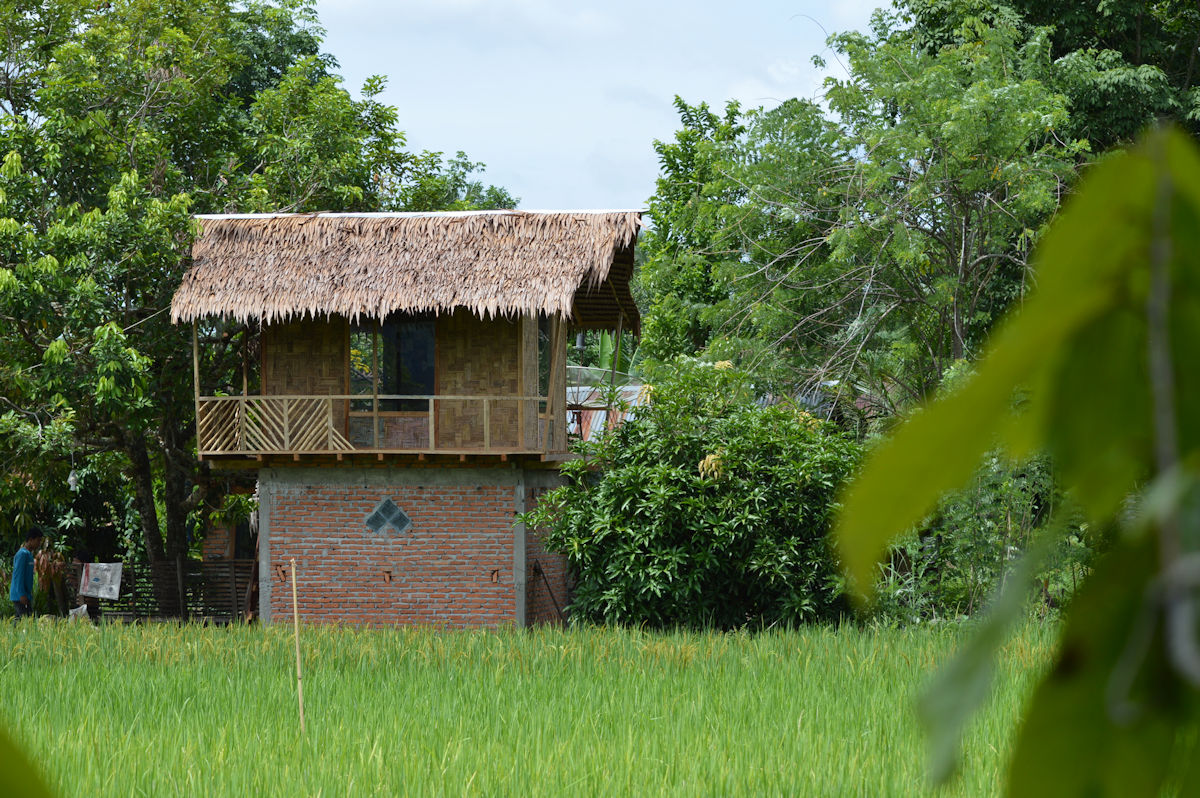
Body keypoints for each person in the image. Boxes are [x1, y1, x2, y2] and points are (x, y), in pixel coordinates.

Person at [9, 529, 43, 619]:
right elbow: (18, 576)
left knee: (23, 620)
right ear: (31, 539)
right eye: (38, 540)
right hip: (19, 595)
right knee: (26, 621)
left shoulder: (29, 555)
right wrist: (21, 594)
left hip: (25, 594)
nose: (39, 543)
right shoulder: (22, 554)